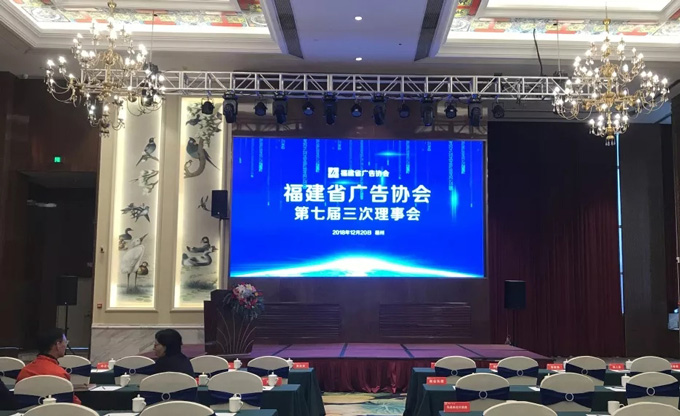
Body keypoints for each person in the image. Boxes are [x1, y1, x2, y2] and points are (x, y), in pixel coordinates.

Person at [17, 328, 81, 404]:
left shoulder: (24, 372)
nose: (66, 346)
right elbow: (74, 404)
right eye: (65, 342)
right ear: (58, 345)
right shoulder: (60, 374)